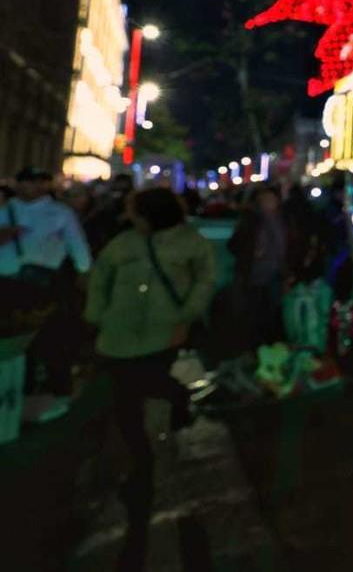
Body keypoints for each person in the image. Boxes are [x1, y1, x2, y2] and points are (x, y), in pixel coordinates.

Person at [85, 187, 215, 569]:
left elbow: (203, 283)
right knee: (125, 402)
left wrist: (186, 317)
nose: (129, 215)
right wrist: (97, 315)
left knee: (145, 386)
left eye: (134, 210)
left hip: (162, 332)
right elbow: (100, 279)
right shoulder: (123, 244)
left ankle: (176, 400)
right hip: (119, 334)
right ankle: (141, 464)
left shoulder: (191, 244)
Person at [0, 168, 93, 404]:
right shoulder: (6, 208)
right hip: (9, 282)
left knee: (42, 337)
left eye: (36, 182)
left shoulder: (60, 213)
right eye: (27, 182)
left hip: (40, 284)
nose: (31, 187)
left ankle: (41, 387)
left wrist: (84, 273)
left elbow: (78, 247)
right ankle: (22, 385)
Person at [227, 185, 289, 352]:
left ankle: (271, 348)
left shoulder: (284, 220)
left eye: (271, 199)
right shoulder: (251, 220)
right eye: (264, 200)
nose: (268, 203)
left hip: (276, 273)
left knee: (273, 312)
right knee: (255, 312)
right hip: (254, 274)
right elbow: (233, 244)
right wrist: (251, 251)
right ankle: (254, 348)